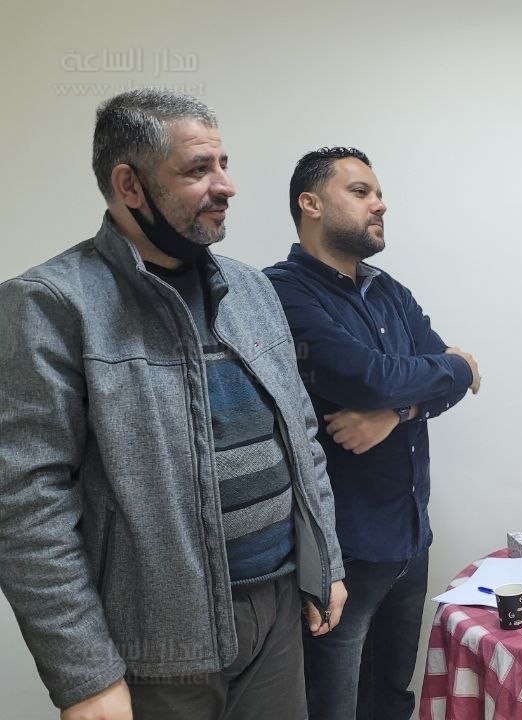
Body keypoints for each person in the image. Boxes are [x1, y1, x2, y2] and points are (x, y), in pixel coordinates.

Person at [0, 88, 346, 720]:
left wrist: (326, 563)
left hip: (278, 612)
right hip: (159, 644)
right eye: (198, 169)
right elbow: (26, 507)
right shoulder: (51, 304)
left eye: (223, 163)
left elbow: (301, 436)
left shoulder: (250, 288)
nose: (226, 185)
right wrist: (84, 675)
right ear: (129, 185)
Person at [265, 147, 480, 720]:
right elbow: (369, 376)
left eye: (378, 194)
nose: (380, 204)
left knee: (391, 698)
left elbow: (441, 383)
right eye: (360, 192)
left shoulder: (388, 290)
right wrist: (454, 366)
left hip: (409, 538)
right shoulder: (281, 292)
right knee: (332, 707)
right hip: (343, 554)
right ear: (310, 203)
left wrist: (397, 413)